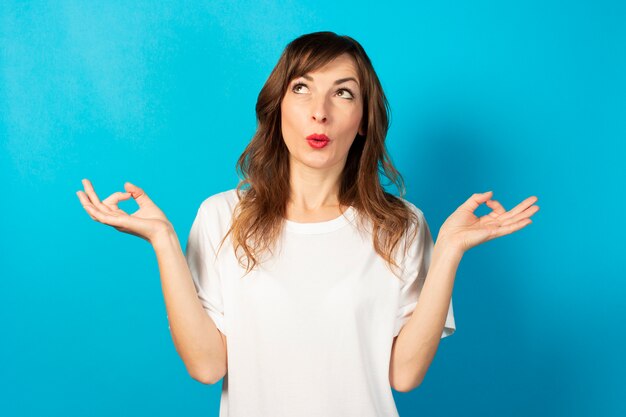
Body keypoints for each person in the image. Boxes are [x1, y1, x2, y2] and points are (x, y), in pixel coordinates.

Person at [76, 31, 539, 417]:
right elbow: (206, 365)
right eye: (302, 88)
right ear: (278, 106)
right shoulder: (221, 216)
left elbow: (404, 375)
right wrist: (163, 241)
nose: (320, 111)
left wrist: (449, 252)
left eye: (342, 92)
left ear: (362, 121)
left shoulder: (401, 225)